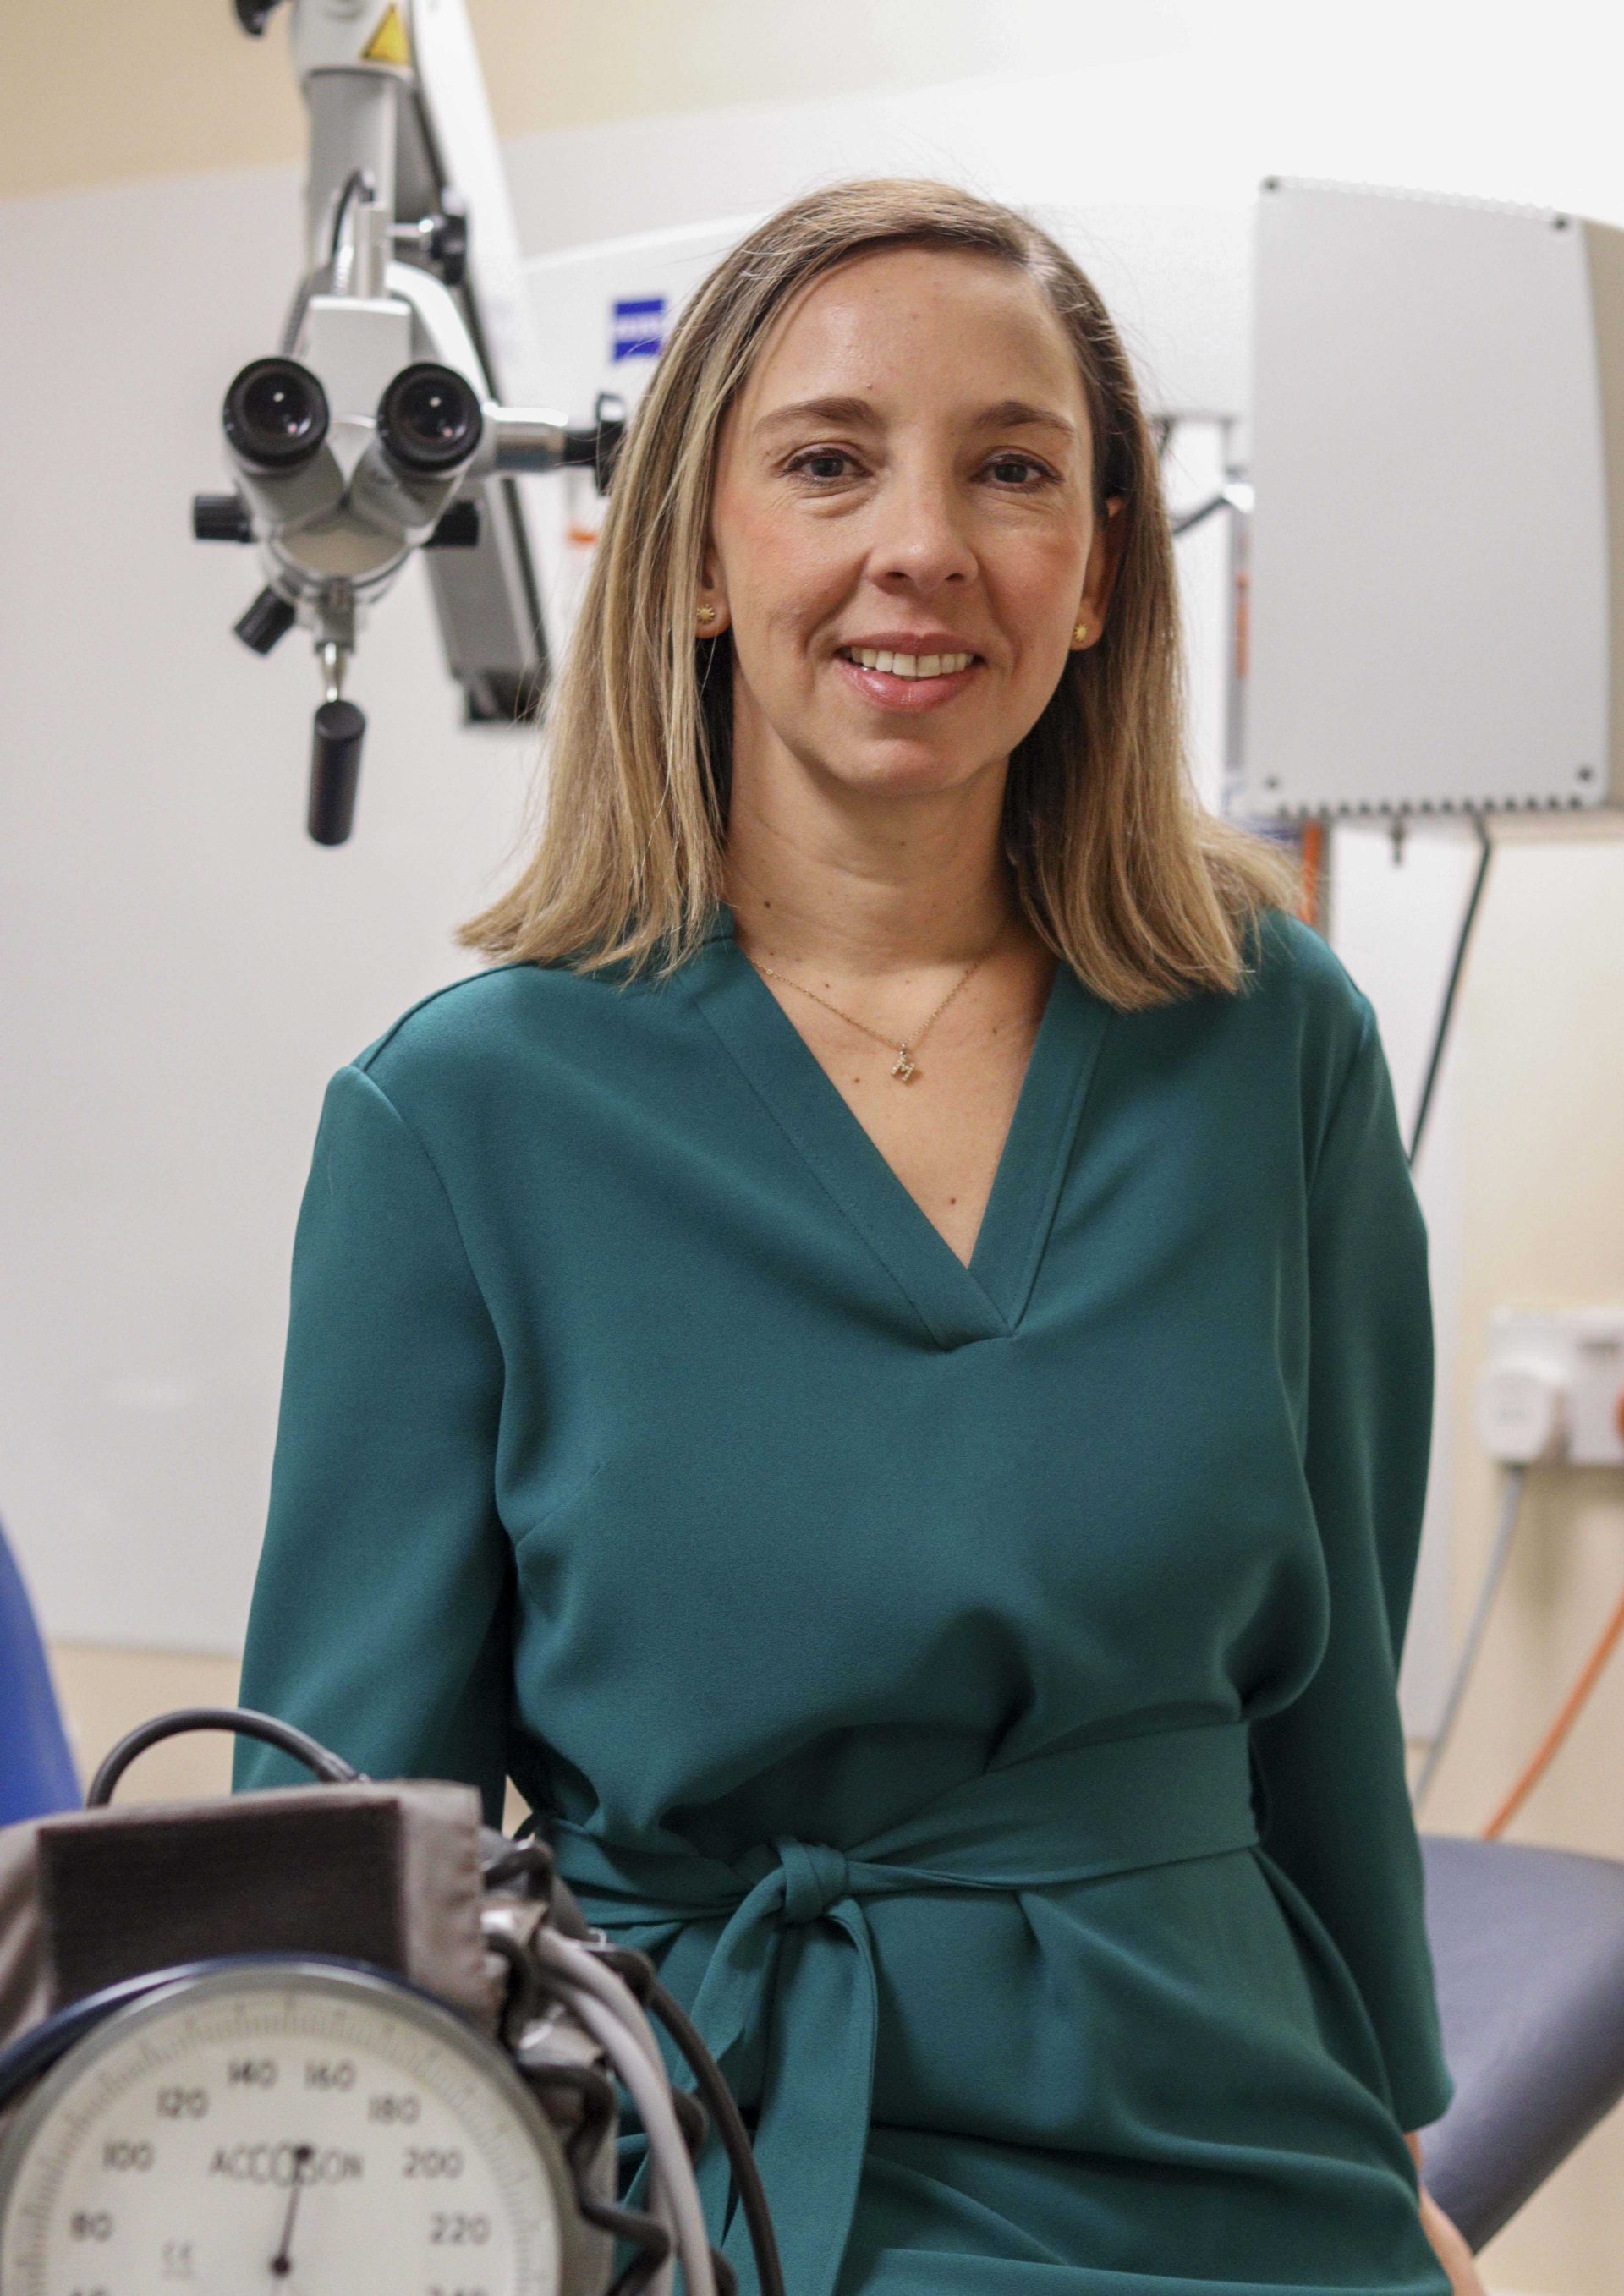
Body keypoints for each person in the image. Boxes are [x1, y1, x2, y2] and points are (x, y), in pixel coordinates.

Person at [236, 178, 1481, 2296]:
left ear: (1100, 571)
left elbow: (1333, 1707)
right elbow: (351, 1857)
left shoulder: (1276, 1044)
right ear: (695, 557)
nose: (924, 545)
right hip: (701, 2152)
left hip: (1226, 2141)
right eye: (828, 462)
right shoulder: (460, 1118)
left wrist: (1393, 2150)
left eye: (1014, 469)